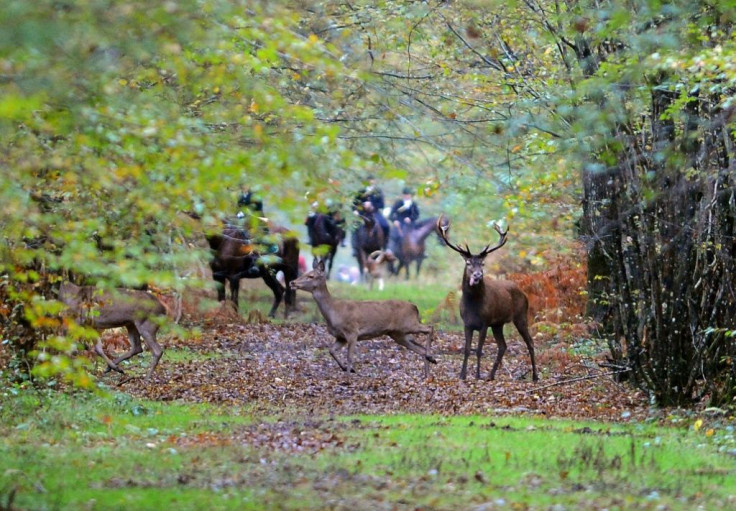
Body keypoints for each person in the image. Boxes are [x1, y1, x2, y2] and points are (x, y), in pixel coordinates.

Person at [352, 175, 390, 247]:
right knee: (355, 227)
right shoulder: (361, 191)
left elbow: (382, 204)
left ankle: (385, 245)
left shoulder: (378, 191)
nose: (371, 182)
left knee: (385, 225)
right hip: (362, 213)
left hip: (375, 213)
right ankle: (355, 247)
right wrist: (355, 210)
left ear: (374, 181)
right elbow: (354, 203)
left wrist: (372, 205)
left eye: (372, 180)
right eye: (369, 180)